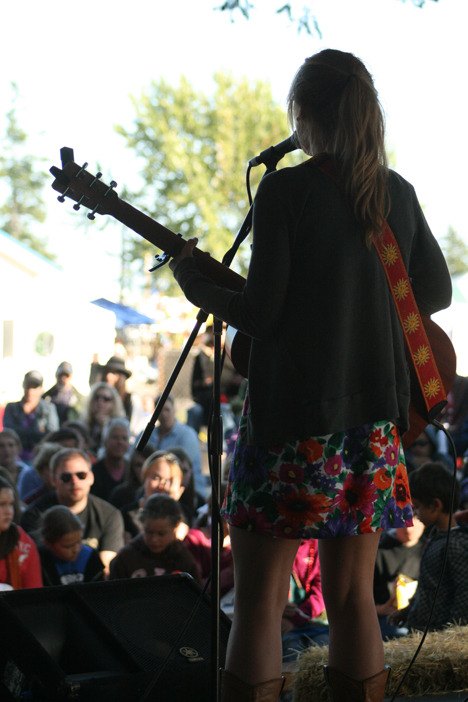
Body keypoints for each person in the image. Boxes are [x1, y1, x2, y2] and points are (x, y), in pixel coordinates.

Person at [169, 49, 452, 702]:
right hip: (373, 431)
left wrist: (192, 281)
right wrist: (361, 306)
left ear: (303, 115)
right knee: (353, 599)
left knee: (262, 602)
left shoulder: (286, 190)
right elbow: (432, 289)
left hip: (289, 428)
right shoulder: (395, 193)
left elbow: (261, 315)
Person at [389, 462, 468, 633]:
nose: (414, 513)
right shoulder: (435, 538)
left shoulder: (455, 544)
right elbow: (428, 586)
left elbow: (464, 592)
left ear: (435, 505)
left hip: (438, 635)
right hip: (422, 631)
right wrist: (408, 611)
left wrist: (454, 632)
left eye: (417, 507)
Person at [20, 447, 124, 574]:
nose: (75, 482)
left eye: (81, 475)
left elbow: (106, 570)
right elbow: (35, 563)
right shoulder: (35, 515)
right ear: (53, 480)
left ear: (91, 477)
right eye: (66, 477)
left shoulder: (110, 515)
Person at [108, 493, 200, 581]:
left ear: (175, 527)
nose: (154, 539)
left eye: (161, 534)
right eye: (149, 532)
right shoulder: (126, 558)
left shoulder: (184, 561)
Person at [147, 394, 206, 501]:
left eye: (167, 410)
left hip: (189, 492)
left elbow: (183, 469)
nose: (163, 414)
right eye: (159, 410)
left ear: (174, 410)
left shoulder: (187, 435)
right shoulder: (149, 434)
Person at [121, 450, 190, 541]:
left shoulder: (184, 517)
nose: (162, 486)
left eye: (170, 480)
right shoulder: (126, 515)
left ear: (180, 490)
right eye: (156, 478)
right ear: (144, 479)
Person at [3, 370, 59, 464]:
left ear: (41, 389)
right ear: (23, 386)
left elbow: (52, 435)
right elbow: (9, 433)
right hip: (13, 459)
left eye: (34, 387)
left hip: (41, 459)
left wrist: (23, 434)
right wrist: (38, 434)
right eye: (28, 386)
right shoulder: (11, 408)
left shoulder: (49, 408)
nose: (30, 390)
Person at [38, 505, 104, 585]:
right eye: (68, 546)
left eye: (79, 542)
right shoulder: (39, 560)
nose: (76, 549)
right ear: (48, 543)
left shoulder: (90, 556)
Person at [0, 476, 42, 590]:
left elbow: (34, 593)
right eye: (2, 504)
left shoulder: (21, 540)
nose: (9, 511)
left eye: (11, 504)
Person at [90, 417, 130, 502]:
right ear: (105, 441)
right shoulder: (94, 471)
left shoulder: (132, 470)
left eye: (124, 438)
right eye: (115, 437)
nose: (120, 442)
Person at [80, 382, 125, 456]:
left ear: (114, 403)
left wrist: (105, 427)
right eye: (96, 397)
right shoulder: (84, 423)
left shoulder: (121, 425)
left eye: (106, 399)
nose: (100, 402)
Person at [100, 356, 134, 422]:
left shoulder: (129, 400)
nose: (109, 376)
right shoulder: (98, 396)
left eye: (114, 373)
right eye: (108, 372)